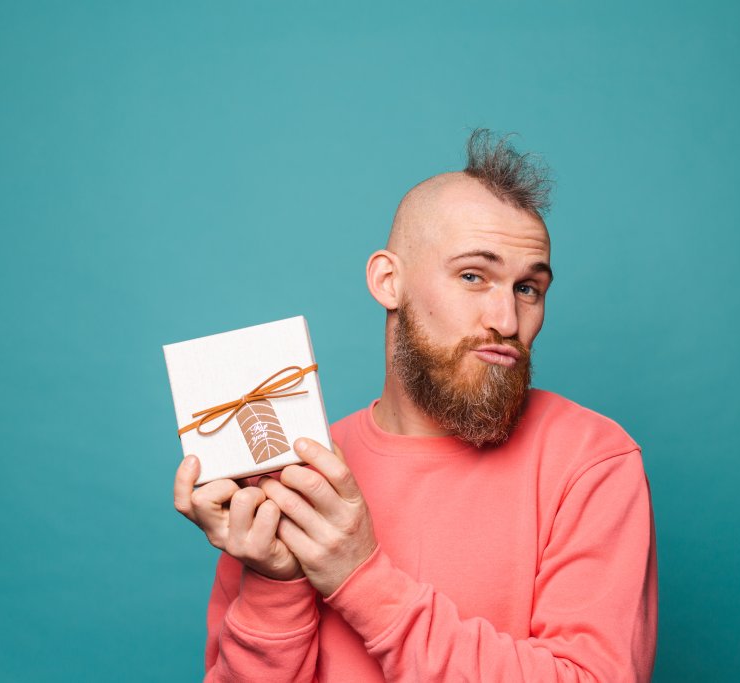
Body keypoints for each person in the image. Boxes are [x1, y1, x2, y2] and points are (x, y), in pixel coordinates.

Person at [173, 129, 659, 682]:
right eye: (474, 276)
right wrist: (275, 582)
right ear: (388, 281)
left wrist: (360, 577)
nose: (506, 320)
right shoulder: (300, 476)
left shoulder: (591, 460)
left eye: (528, 288)